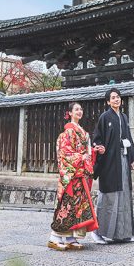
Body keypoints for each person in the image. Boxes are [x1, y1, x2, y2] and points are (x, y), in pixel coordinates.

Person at [90, 87, 134, 244]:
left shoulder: (123, 117)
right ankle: (98, 232)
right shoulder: (105, 117)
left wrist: (131, 158)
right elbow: (97, 138)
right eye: (113, 97)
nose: (116, 99)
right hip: (109, 162)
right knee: (109, 197)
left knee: (123, 196)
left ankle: (122, 233)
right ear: (108, 101)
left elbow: (128, 138)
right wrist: (99, 146)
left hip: (122, 160)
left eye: (118, 97)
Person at [48, 101, 98, 251]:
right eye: (76, 109)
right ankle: (54, 237)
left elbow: (85, 152)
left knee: (76, 207)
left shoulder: (82, 131)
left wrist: (93, 151)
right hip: (72, 174)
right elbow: (64, 153)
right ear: (69, 113)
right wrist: (80, 158)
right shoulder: (68, 132)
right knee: (66, 205)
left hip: (80, 174)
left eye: (81, 109)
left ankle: (70, 238)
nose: (79, 111)